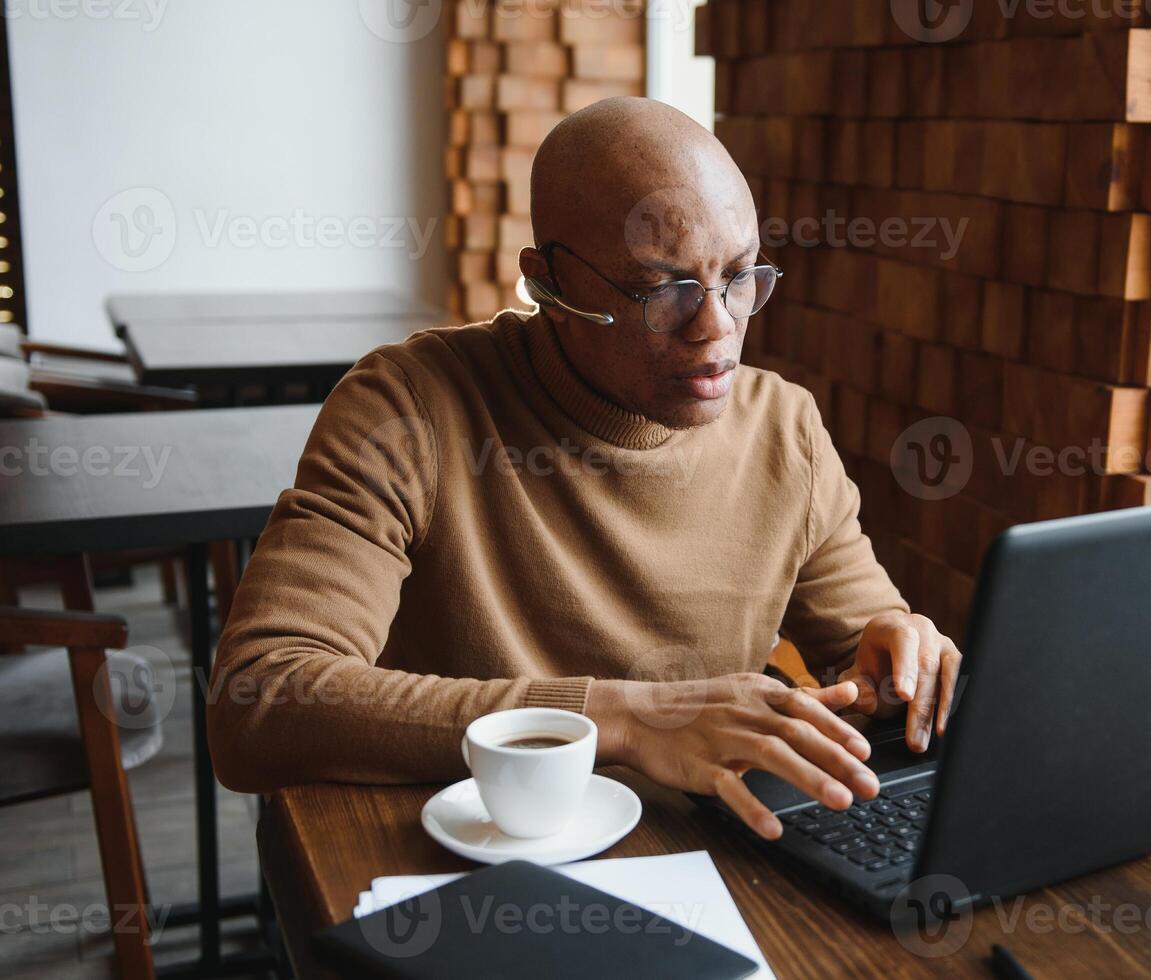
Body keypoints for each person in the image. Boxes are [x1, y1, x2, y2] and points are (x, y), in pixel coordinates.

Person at [208, 97, 961, 840]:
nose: (718, 325)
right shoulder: (408, 410)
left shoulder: (783, 429)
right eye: (664, 290)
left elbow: (861, 649)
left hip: (707, 853)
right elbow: (262, 701)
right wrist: (623, 720)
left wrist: (903, 662)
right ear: (548, 284)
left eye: (738, 275)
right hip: (475, 855)